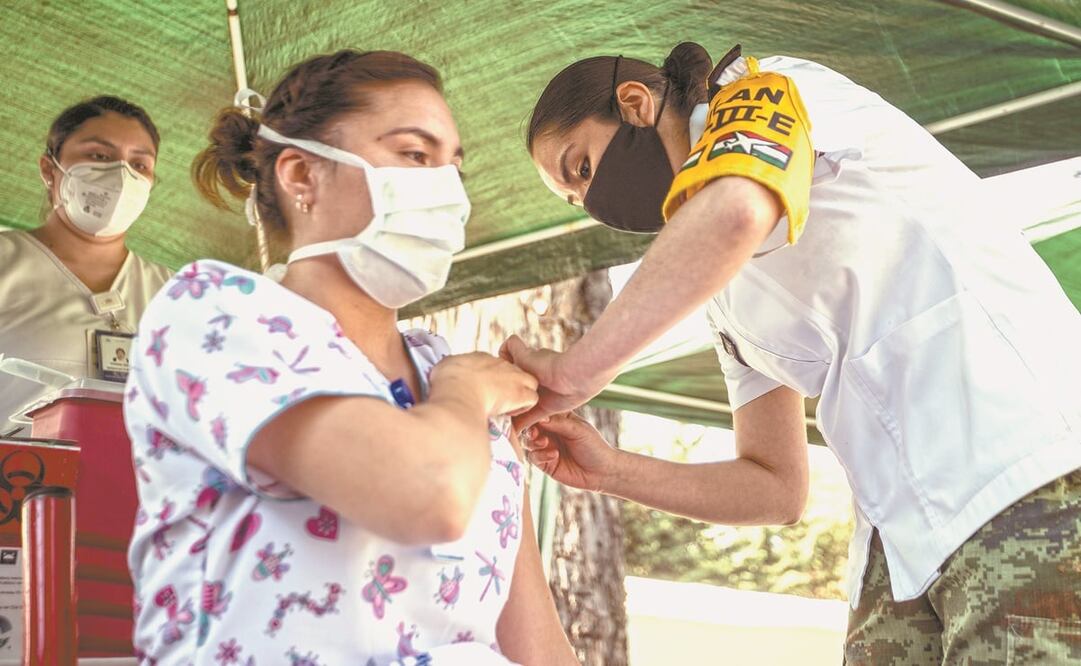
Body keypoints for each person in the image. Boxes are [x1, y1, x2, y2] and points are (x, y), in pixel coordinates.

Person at [503, 42, 1081, 664]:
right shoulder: (714, 290)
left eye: (581, 168)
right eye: (574, 201)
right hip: (904, 543)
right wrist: (611, 471)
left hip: (1024, 468)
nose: (592, 203)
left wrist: (575, 369)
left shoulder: (762, 88)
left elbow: (738, 211)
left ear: (636, 104)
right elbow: (774, 487)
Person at [125, 49, 577, 665]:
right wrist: (465, 395)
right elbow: (427, 496)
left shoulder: (449, 372)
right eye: (414, 155)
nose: (446, 190)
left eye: (455, 168)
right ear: (301, 175)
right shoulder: (215, 315)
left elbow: (535, 643)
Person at [0, 96, 171, 434]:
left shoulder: (175, 294)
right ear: (50, 170)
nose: (121, 175)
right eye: (99, 156)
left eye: (139, 165)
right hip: (18, 481)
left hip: (134, 485)